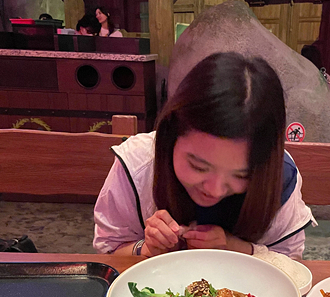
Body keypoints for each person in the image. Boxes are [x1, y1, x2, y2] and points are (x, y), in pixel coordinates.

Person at [93, 52, 316, 259]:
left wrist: (236, 248)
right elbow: (109, 251)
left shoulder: (279, 175)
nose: (214, 190)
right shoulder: (137, 165)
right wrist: (146, 248)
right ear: (171, 134)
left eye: (241, 175)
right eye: (199, 166)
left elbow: (291, 262)